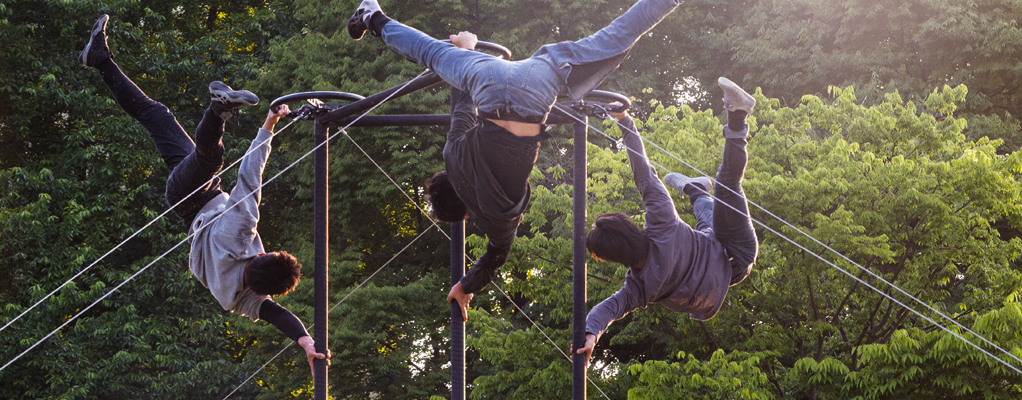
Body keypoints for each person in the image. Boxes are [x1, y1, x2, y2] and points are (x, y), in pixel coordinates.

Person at [346, 0, 682, 320]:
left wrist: (466, 286)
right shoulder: (453, 157)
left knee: (616, 38)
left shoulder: (496, 221)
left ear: (465, 212)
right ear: (444, 179)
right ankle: (374, 17)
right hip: (487, 80)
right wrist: (465, 50)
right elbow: (462, 107)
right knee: (430, 53)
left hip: (536, 90)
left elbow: (496, 257)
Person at [78, 15, 327, 373]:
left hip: (190, 193)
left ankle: (219, 109)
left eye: (268, 251)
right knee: (157, 115)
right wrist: (304, 340)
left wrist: (269, 125)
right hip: (191, 205)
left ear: (261, 257)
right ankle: (98, 57)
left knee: (212, 157)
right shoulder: (240, 298)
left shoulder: (241, 234)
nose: (266, 247)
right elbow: (274, 313)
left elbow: (250, 176)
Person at [573, 78, 759, 363]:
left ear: (613, 258)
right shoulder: (660, 223)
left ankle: (695, 189)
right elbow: (643, 174)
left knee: (709, 222)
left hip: (713, 247)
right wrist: (624, 121)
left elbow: (608, 308)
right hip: (736, 253)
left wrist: (591, 334)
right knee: (726, 186)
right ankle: (738, 116)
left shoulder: (639, 288)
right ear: (629, 227)